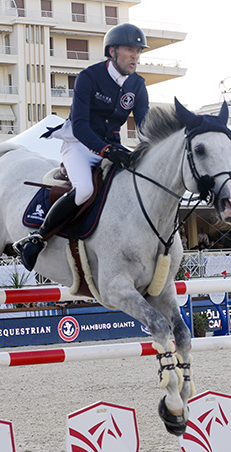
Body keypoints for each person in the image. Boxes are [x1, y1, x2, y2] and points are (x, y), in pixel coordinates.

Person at [14, 23, 150, 271]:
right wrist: (105, 151)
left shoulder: (138, 85)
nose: (135, 56)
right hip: (79, 144)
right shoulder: (89, 77)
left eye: (138, 51)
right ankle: (37, 239)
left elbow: (145, 128)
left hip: (111, 146)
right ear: (112, 52)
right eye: (130, 49)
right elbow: (80, 126)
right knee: (85, 189)